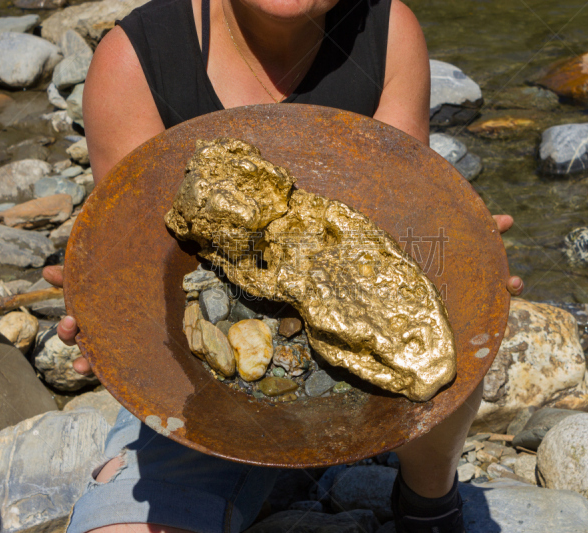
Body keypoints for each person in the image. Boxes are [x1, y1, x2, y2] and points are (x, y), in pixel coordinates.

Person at [43, 0, 524, 531]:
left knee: (455, 335)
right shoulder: (139, 58)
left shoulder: (386, 30)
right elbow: (135, 252)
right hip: (201, 386)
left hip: (354, 379)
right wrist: (110, 321)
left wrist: (464, 256)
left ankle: (427, 499)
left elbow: (400, 212)